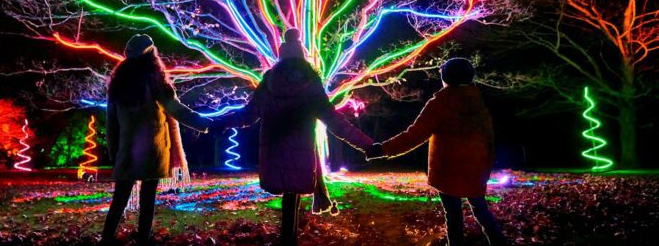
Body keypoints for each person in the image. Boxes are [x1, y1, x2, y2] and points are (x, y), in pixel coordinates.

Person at [214, 28, 374, 246]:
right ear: (302, 57)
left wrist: (221, 122)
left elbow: (248, 114)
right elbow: (334, 121)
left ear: (281, 57)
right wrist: (367, 144)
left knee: (288, 199)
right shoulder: (311, 85)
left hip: (274, 150)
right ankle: (289, 239)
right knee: (293, 197)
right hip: (301, 152)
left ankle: (287, 238)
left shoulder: (269, 83)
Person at [366, 58, 506, 246]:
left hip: (448, 170)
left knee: (453, 216)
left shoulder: (440, 103)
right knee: (481, 210)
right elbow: (489, 138)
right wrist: (486, 166)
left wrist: (383, 150)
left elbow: (414, 136)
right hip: (476, 169)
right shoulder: (477, 101)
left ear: (445, 78)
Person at [101, 34, 211, 246]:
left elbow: (111, 123)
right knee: (147, 199)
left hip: (127, 151)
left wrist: (115, 152)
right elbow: (177, 110)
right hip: (153, 150)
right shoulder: (156, 81)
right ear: (152, 55)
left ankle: (106, 239)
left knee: (119, 200)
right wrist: (204, 123)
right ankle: (143, 240)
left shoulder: (118, 84)